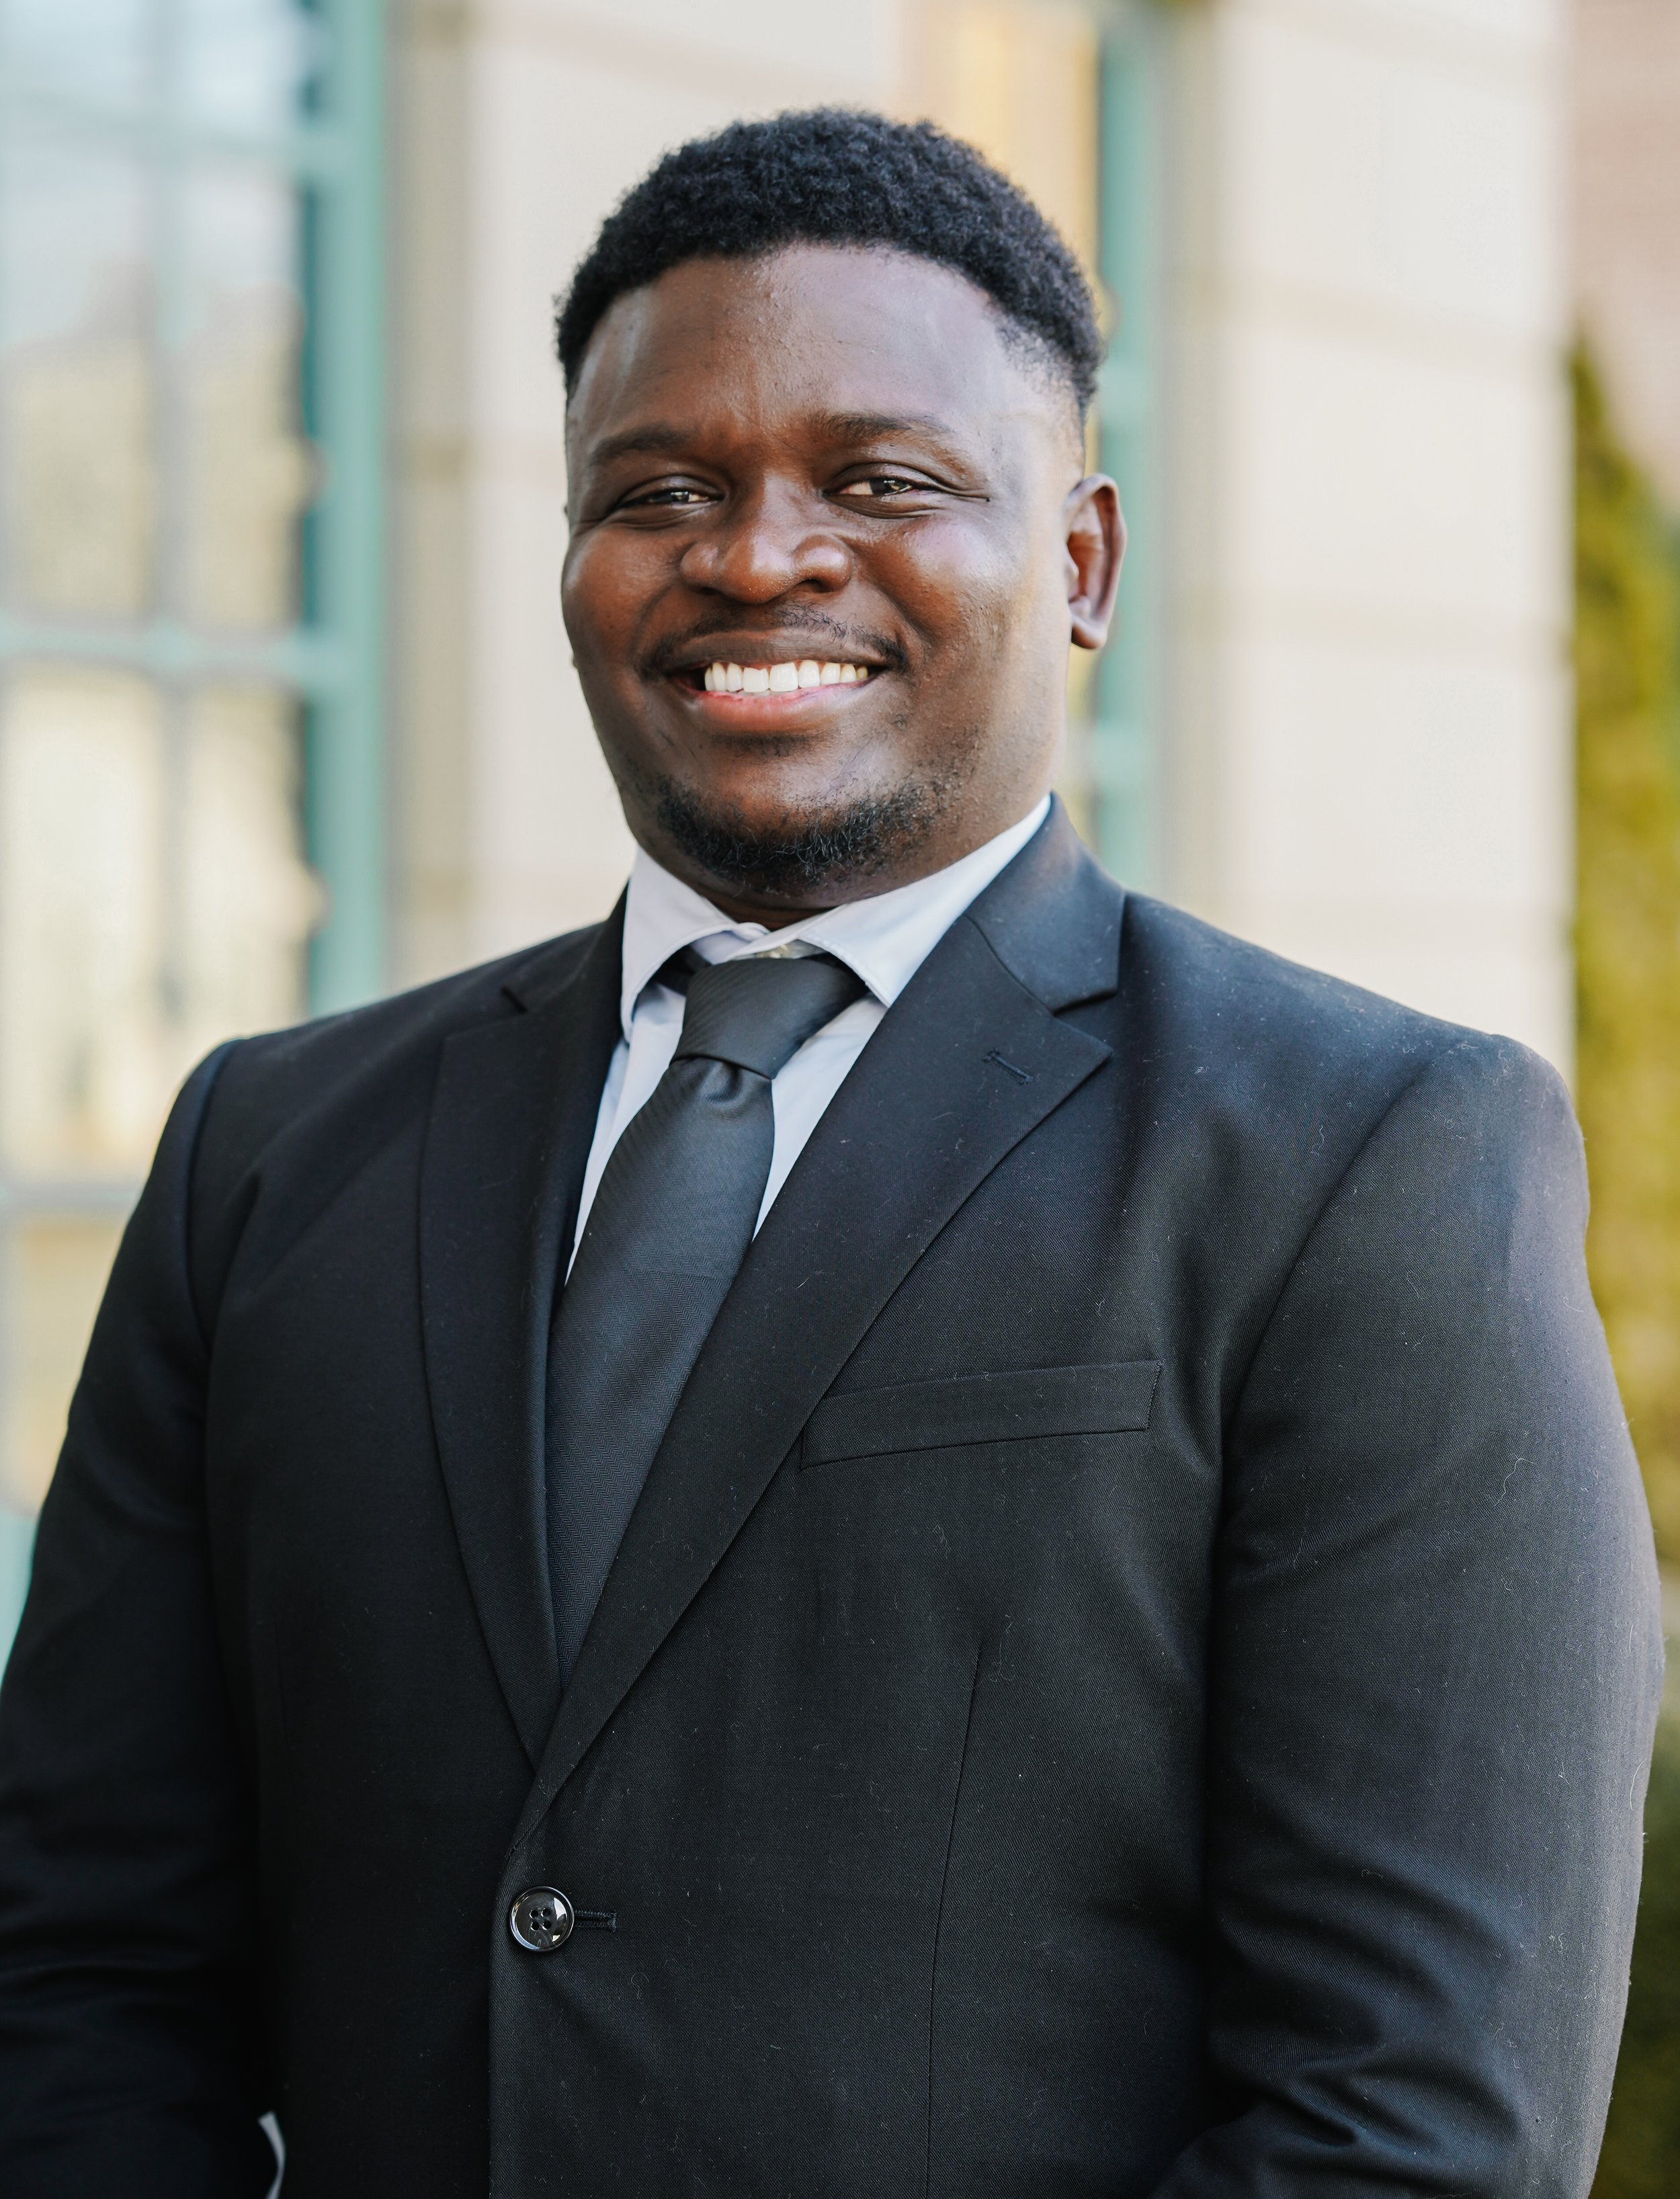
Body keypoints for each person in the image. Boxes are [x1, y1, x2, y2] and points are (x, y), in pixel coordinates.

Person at [0, 110, 1661, 2199]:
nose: (757, 555)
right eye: (659, 490)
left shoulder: (1366, 1157)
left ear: (1078, 564)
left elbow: (1413, 2124)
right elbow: (73, 1971)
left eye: (882, 481)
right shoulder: (272, 1147)